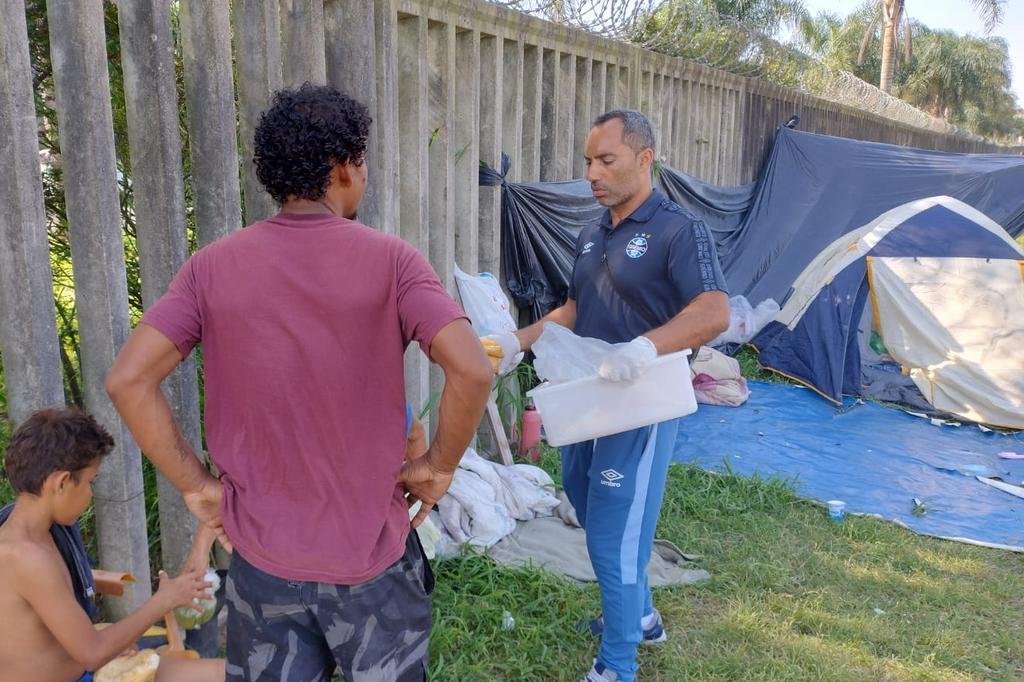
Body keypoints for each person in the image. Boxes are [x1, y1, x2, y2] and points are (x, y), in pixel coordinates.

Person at [106, 84, 492, 681]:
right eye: (361, 161)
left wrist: (196, 484)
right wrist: (439, 465)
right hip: (372, 565)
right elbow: (470, 367)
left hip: (262, 568)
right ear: (342, 167)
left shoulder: (212, 267)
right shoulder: (394, 262)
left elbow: (128, 380)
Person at [485, 110, 729, 682]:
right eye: (588, 161)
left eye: (606, 159)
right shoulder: (592, 232)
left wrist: (645, 348)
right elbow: (574, 309)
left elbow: (713, 310)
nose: (592, 172)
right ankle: (640, 616)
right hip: (588, 396)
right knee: (584, 501)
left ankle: (618, 663)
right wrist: (512, 343)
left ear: (645, 159)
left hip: (642, 402)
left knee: (614, 527)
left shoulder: (677, 229)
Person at [0, 408, 224, 682]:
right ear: (60, 483)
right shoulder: (25, 557)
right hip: (83, 668)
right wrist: (164, 599)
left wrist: (112, 645)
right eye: (90, 482)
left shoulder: (34, 528)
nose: (91, 494)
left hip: (83, 665)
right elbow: (92, 652)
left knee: (221, 673)